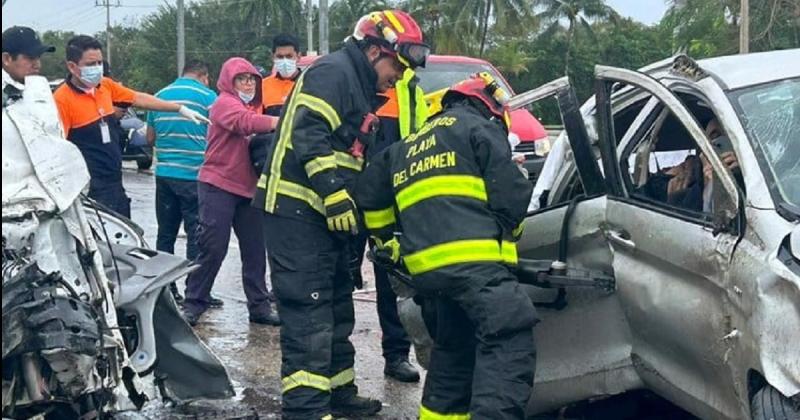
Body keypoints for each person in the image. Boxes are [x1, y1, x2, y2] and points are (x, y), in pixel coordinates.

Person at [252, 10, 429, 419]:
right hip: (295, 212)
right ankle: (307, 409)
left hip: (321, 218)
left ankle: (337, 392)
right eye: (396, 65)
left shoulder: (359, 84)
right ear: (373, 51)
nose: (399, 77)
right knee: (309, 313)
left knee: (335, 308)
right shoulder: (334, 72)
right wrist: (333, 194)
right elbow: (308, 132)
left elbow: (350, 157)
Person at [354, 72, 537, 419]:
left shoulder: (407, 145)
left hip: (428, 278)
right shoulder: (479, 129)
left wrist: (387, 245)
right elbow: (512, 196)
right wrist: (510, 238)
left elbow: (370, 193)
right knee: (508, 340)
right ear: (489, 107)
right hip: (476, 269)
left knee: (453, 355)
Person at [53, 35, 209, 218]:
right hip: (88, 188)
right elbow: (58, 150)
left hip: (114, 183)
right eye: (90, 64)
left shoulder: (105, 86)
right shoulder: (62, 100)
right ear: (72, 66)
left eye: (99, 63)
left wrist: (179, 108)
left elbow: (138, 98)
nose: (97, 69)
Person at [181, 57, 280, 327]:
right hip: (218, 184)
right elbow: (244, 123)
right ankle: (193, 303)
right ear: (228, 81)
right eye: (242, 79)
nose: (248, 83)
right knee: (213, 247)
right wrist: (280, 122)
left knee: (255, 250)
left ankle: (259, 307)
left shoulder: (252, 106)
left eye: (251, 79)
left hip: (248, 189)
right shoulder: (224, 103)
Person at [366, 67, 428, 383]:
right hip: (345, 188)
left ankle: (396, 355)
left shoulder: (411, 90)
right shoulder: (350, 82)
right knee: (333, 279)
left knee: (392, 276)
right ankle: (333, 366)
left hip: (391, 197)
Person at [146, 59, 218, 303]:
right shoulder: (209, 98)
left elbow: (150, 138)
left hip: (165, 175)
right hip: (194, 177)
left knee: (165, 234)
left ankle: (165, 290)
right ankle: (195, 292)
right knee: (195, 235)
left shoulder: (159, 96)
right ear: (204, 76)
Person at [2, 26, 55, 106]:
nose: (38, 65)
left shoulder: (40, 89)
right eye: (30, 57)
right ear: (6, 59)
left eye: (39, 57)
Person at [261, 33, 302, 116]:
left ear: (298, 57)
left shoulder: (310, 84)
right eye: (280, 57)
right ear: (273, 57)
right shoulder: (262, 86)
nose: (285, 61)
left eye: (289, 56)